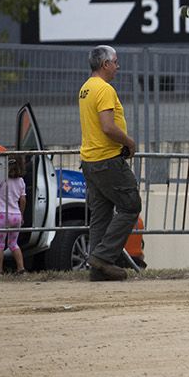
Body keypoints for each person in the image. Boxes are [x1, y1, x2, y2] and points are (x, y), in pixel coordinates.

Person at [78, 46, 141, 282]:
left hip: (90, 161)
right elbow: (107, 126)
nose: (118, 66)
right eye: (115, 62)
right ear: (105, 64)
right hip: (108, 160)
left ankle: (98, 269)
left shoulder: (85, 88)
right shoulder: (104, 89)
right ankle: (103, 258)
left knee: (101, 215)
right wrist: (129, 142)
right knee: (130, 206)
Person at [0, 167, 26, 275]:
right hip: (16, 215)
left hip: (3, 215)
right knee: (13, 244)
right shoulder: (21, 181)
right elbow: (23, 199)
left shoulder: (1, 178)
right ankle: (21, 269)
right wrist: (21, 214)